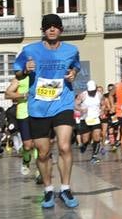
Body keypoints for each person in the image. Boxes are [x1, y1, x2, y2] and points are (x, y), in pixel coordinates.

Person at [14, 14, 82, 207]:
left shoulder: (71, 50)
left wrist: (73, 73)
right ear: (43, 30)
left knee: (64, 146)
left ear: (61, 30)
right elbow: (18, 73)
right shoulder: (29, 50)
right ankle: (48, 190)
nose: (52, 29)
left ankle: (66, 189)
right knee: (43, 153)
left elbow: (75, 67)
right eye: (48, 27)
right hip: (38, 107)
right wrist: (25, 70)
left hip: (63, 103)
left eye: (55, 26)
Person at [4, 73, 36, 177]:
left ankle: (40, 171)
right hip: (23, 114)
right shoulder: (19, 78)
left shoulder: (41, 75)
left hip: (39, 112)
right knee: (27, 146)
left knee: (39, 144)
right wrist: (23, 95)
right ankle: (25, 161)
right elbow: (7, 94)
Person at [75, 80, 106, 163]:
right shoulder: (82, 95)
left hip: (95, 118)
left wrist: (102, 110)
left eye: (93, 91)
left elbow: (103, 104)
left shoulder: (99, 95)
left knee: (97, 136)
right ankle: (83, 146)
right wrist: (81, 109)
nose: (92, 92)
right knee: (85, 139)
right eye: (90, 91)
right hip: (85, 119)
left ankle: (94, 156)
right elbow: (75, 104)